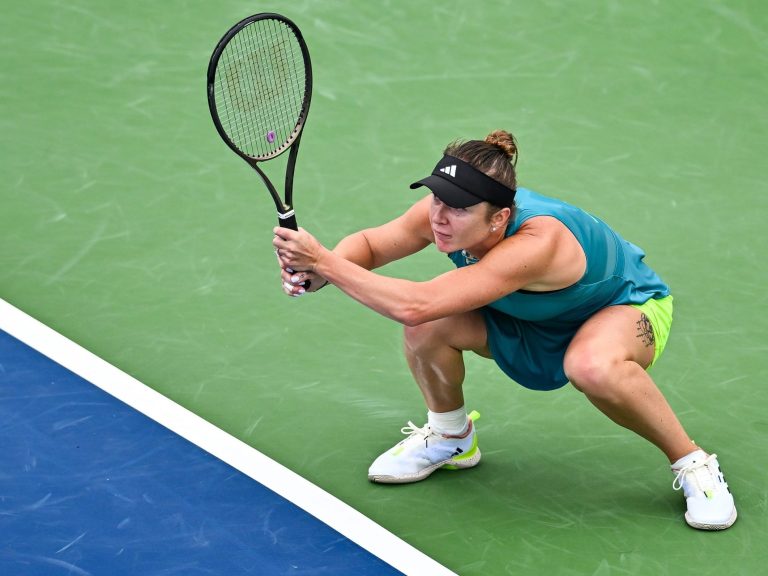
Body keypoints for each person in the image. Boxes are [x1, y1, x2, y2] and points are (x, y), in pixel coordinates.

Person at [272, 129, 737, 530]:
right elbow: (372, 245)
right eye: (436, 198)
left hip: (619, 308)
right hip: (527, 312)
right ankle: (451, 438)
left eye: (456, 208)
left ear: (498, 218)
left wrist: (323, 262)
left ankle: (694, 463)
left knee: (592, 366)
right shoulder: (440, 214)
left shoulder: (539, 240)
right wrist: (321, 272)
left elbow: (416, 304)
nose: (439, 215)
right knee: (432, 328)